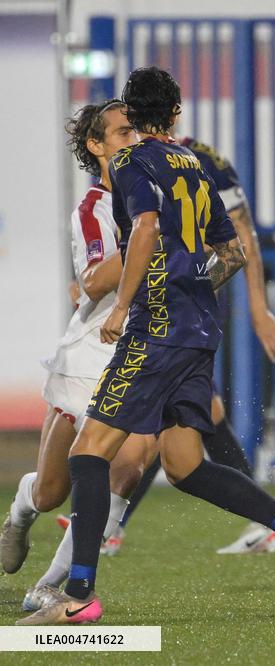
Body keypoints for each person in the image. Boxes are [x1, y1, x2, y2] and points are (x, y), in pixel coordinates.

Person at [17, 66, 275, 626]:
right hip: (198, 332)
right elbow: (232, 252)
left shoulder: (131, 162)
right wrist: (192, 287)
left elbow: (143, 228)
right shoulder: (193, 164)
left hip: (154, 331)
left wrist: (124, 306)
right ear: (176, 113)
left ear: (132, 113)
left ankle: (79, 595)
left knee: (89, 454)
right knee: (185, 465)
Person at [0, 100, 156, 612]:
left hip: (147, 351)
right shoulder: (94, 209)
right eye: (123, 132)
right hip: (93, 354)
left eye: (137, 130)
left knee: (128, 467)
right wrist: (146, 238)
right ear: (96, 145)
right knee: (51, 491)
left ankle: (53, 586)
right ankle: (20, 513)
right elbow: (91, 281)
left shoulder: (158, 195)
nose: (134, 139)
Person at [111, 131, 275, 556]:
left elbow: (242, 234)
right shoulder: (135, 162)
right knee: (197, 410)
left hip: (184, 302)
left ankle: (107, 524)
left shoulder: (201, 160)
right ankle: (270, 523)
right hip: (159, 303)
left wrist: (258, 308)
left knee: (166, 409)